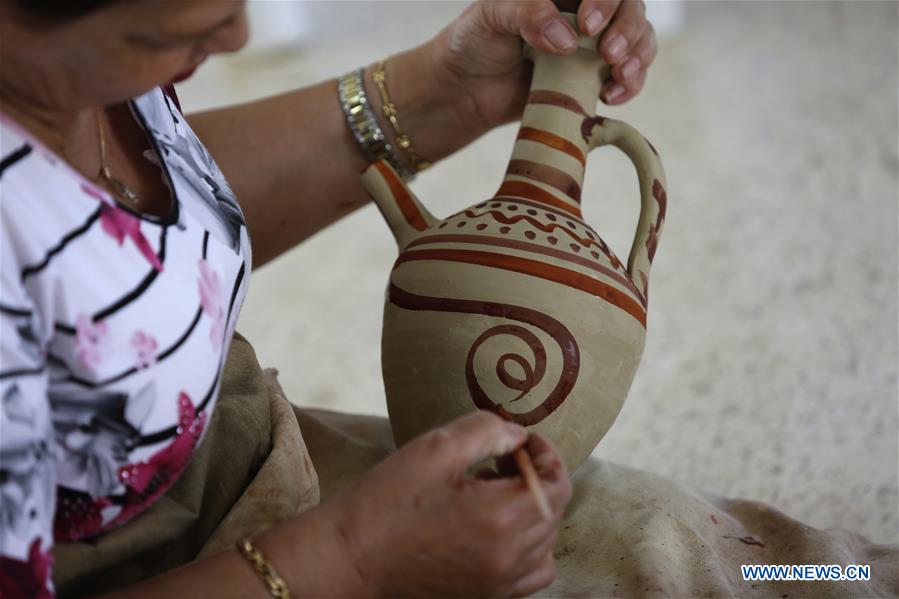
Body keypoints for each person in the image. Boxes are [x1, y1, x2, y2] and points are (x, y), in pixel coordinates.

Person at [0, 0, 657, 596]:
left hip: (232, 455)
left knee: (695, 547)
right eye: (182, 19)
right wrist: (354, 557)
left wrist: (452, 91)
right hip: (151, 559)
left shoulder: (79, 73)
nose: (238, 35)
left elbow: (116, 233)